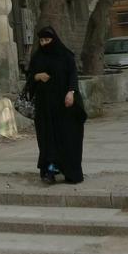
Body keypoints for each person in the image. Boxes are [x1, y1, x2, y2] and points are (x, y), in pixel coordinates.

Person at [25, 26, 86, 184]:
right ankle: (50, 171)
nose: (44, 43)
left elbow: (73, 74)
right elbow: (30, 77)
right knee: (48, 139)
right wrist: (37, 76)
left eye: (47, 40)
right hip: (45, 107)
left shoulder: (65, 56)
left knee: (68, 137)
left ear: (54, 40)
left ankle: (70, 171)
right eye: (42, 40)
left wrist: (71, 92)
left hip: (65, 105)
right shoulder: (38, 57)